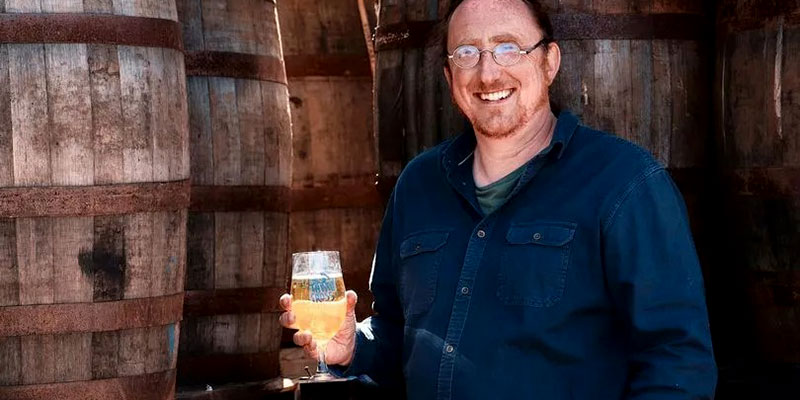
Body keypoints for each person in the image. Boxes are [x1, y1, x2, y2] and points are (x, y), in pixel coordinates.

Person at [280, 0, 717, 398]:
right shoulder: (417, 186)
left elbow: (677, 362)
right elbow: (398, 335)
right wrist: (354, 345)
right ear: (450, 78)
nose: (488, 73)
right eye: (466, 53)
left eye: (509, 48)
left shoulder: (625, 183)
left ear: (549, 62)